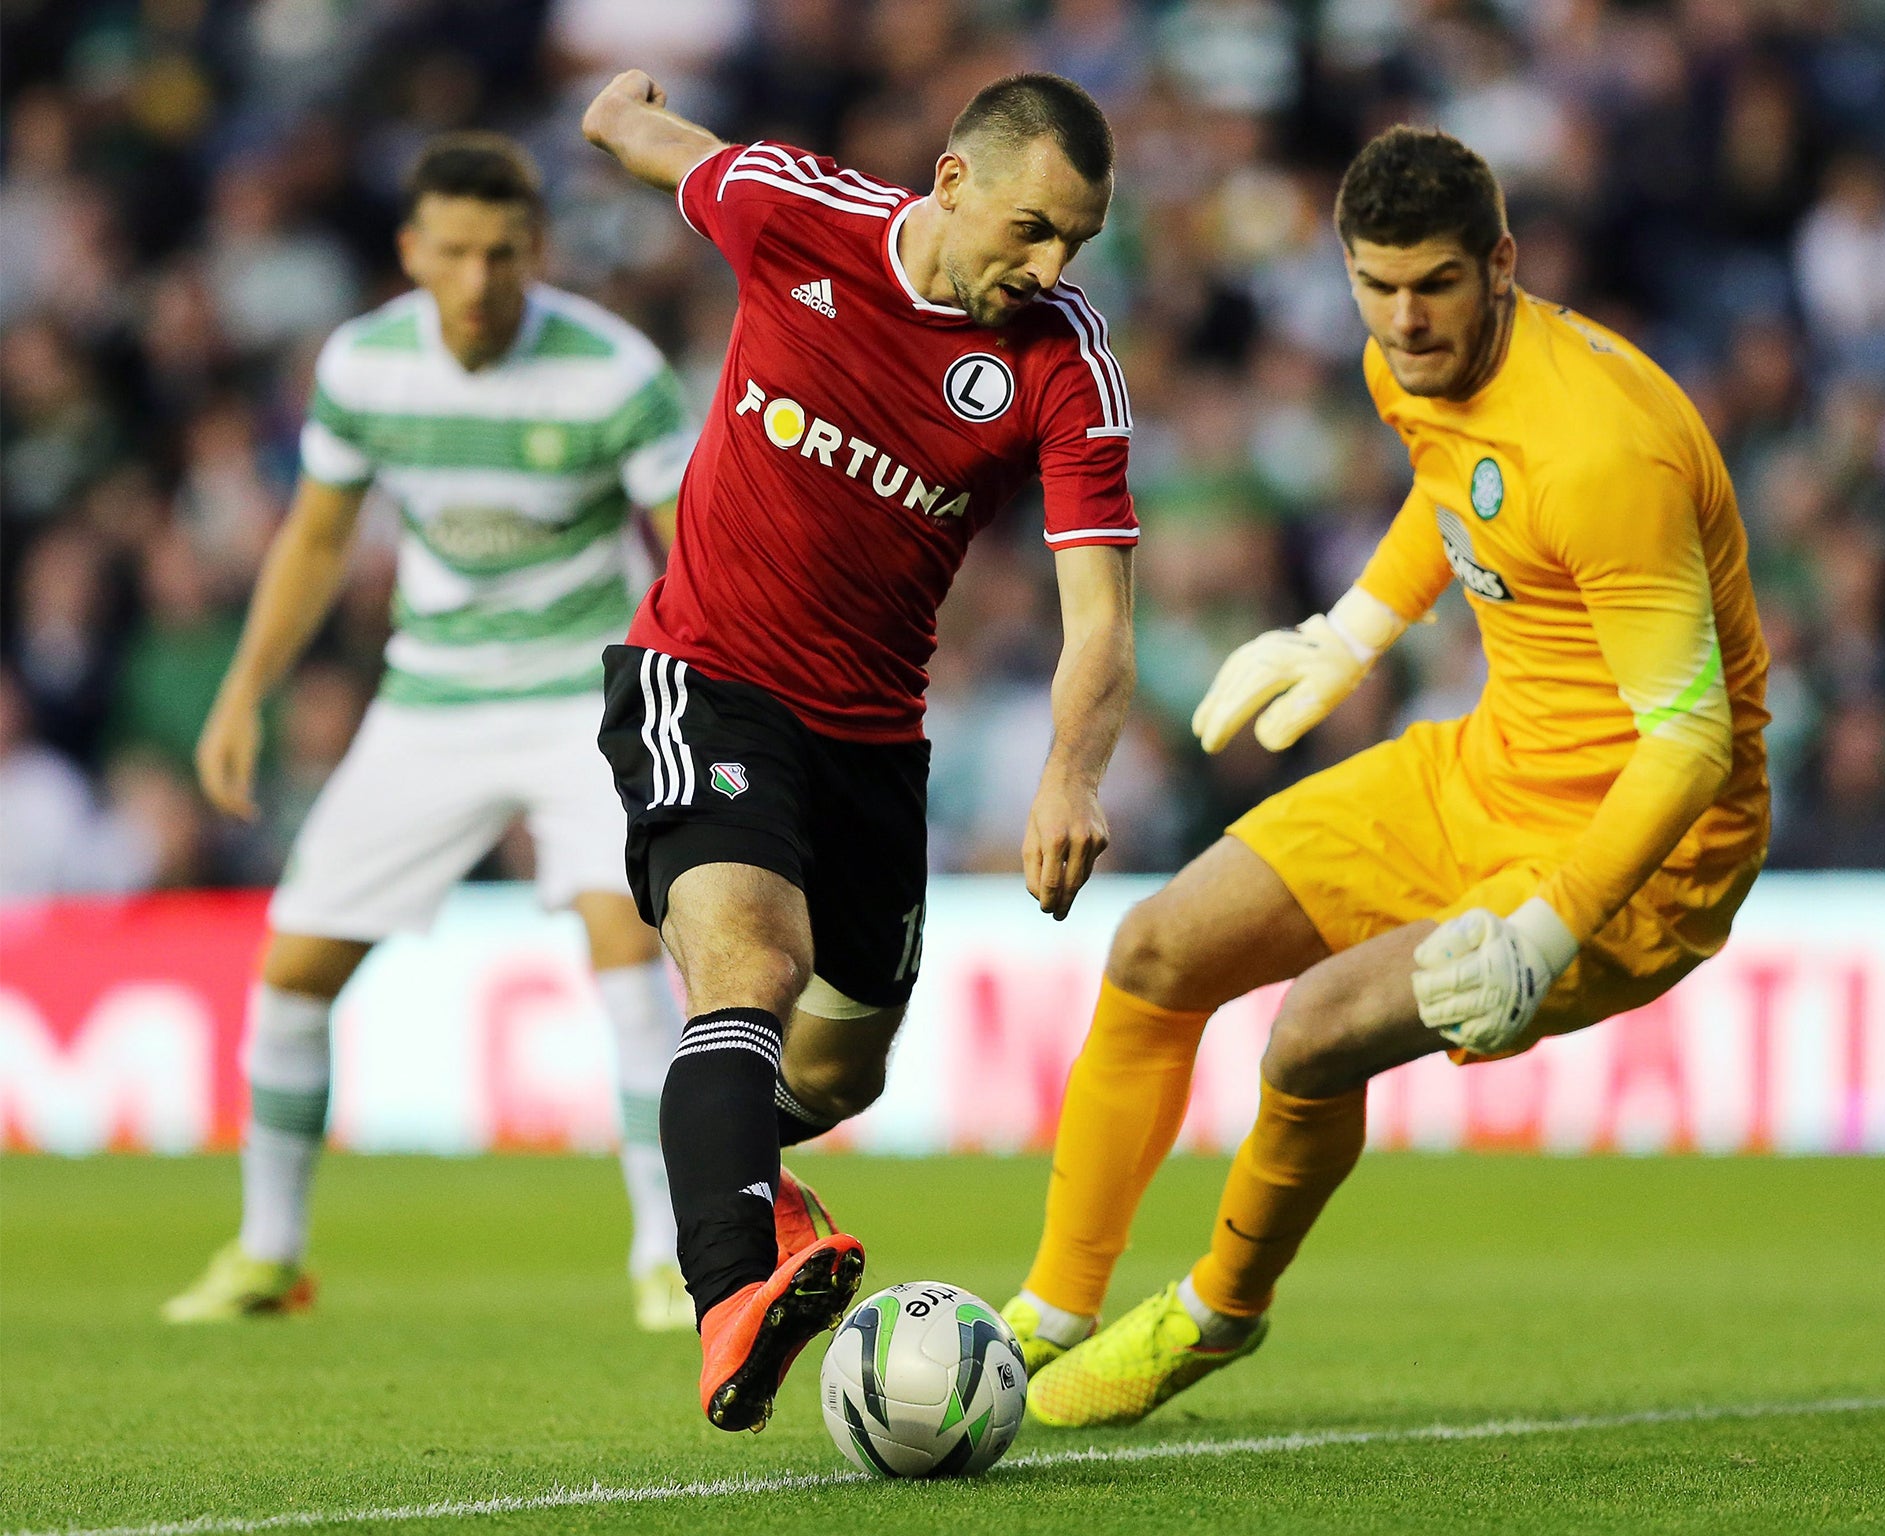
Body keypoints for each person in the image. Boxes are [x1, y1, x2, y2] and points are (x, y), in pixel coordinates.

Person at [1005, 126, 1771, 1427]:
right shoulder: (1403, 360)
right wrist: (1349, 632)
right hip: (1484, 767)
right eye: (1376, 285)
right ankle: (1049, 1310)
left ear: (1504, 266)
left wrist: (1550, 924)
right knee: (1154, 952)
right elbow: (1454, 487)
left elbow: (1690, 743)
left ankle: (1215, 1312)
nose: (1404, 322)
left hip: (1644, 845)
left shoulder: (1604, 450)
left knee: (1313, 1032)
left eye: (1434, 285)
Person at [579, 68, 1139, 1432]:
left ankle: (751, 1188)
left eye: (1076, 240)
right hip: (703, 676)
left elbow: (1101, 615)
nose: (1050, 264)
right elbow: (675, 150)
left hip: (874, 737)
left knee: (836, 1072)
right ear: (953, 184)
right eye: (1032, 227)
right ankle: (727, 1290)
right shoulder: (795, 217)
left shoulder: (1065, 365)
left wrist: (1068, 773)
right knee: (749, 966)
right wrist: (611, 114)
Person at [163, 134, 700, 1333]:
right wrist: (246, 687)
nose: (476, 279)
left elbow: (691, 556)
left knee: (624, 948)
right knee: (295, 969)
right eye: (452, 252)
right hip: (429, 700)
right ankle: (269, 1253)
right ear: (410, 251)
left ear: (537, 251)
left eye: (502, 253)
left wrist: (715, 702)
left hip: (583, 694)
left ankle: (667, 1258)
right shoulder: (364, 367)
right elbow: (313, 538)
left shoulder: (612, 373)